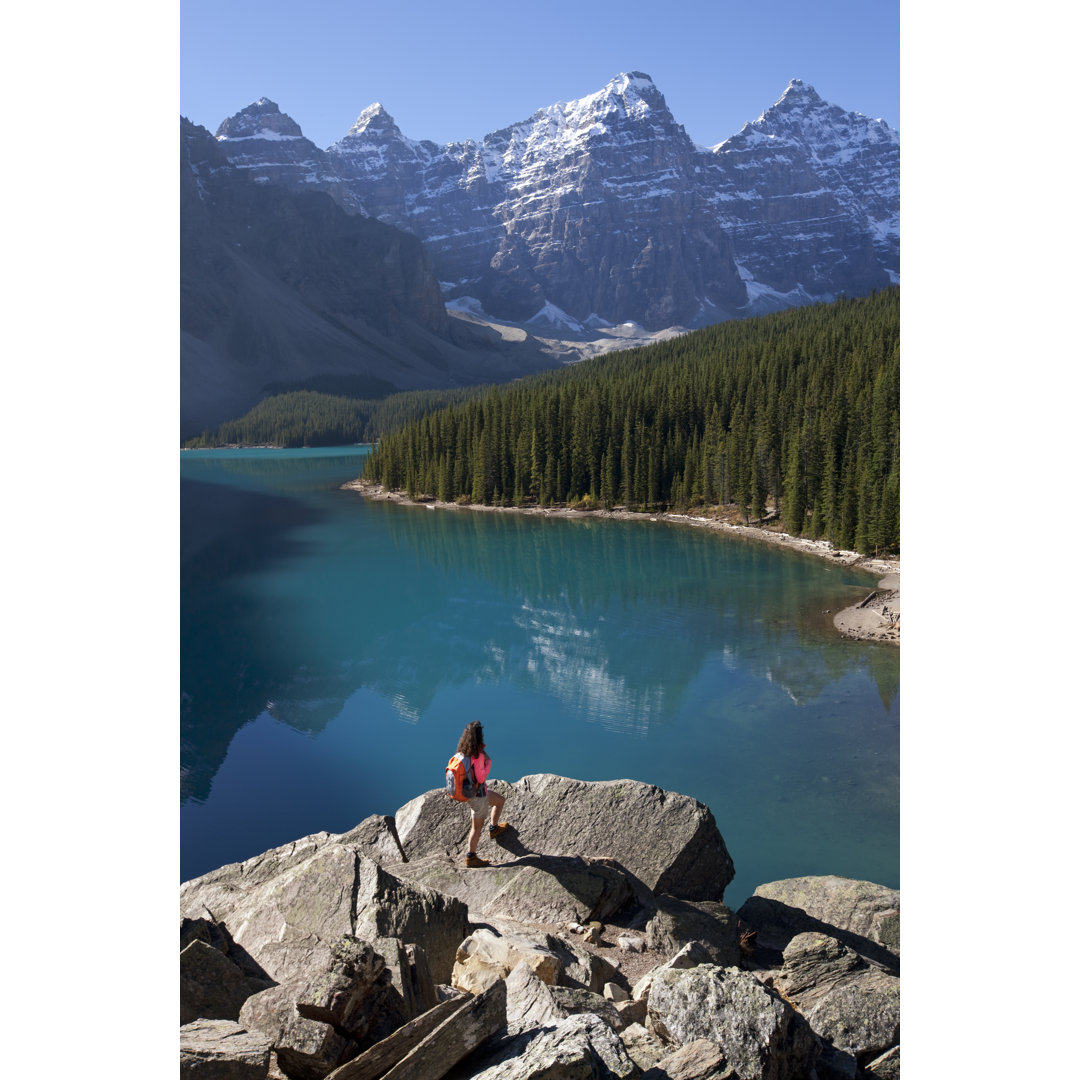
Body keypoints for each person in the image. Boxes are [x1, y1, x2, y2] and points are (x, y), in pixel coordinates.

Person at [456, 720, 507, 867]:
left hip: (473, 793)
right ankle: (471, 857)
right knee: (476, 828)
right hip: (478, 796)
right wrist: (488, 761)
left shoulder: (462, 752)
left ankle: (494, 827)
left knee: (500, 801)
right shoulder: (477, 755)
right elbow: (481, 777)